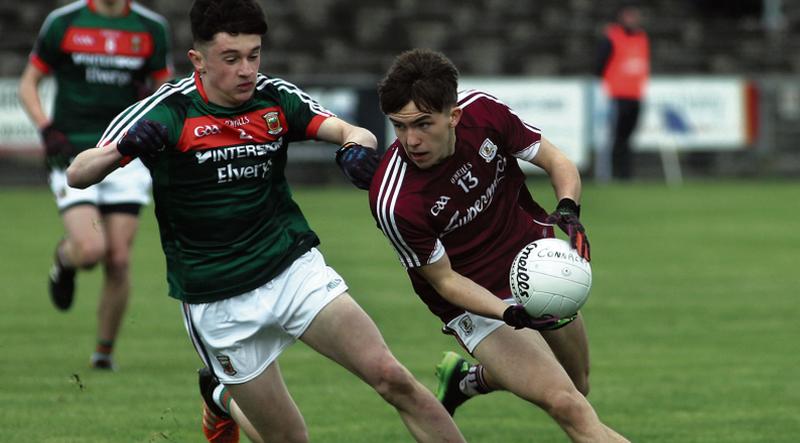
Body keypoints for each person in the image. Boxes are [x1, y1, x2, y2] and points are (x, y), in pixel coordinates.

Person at [66, 1, 465, 443]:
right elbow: (78, 173)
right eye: (231, 58)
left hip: (291, 268)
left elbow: (355, 131)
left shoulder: (275, 97)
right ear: (198, 60)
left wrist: (353, 149)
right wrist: (120, 150)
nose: (246, 70)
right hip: (216, 298)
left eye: (254, 55)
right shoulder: (167, 110)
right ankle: (220, 398)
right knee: (289, 438)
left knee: (392, 378)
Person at [369, 48, 628, 443]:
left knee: (579, 386)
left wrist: (568, 210)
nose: (411, 140)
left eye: (423, 124)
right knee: (569, 405)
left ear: (453, 116)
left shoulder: (484, 114)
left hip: (537, 264)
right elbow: (445, 282)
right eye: (400, 127)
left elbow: (555, 159)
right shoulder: (395, 200)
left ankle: (467, 381)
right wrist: (508, 314)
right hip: (475, 302)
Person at [18, 0, 173, 369]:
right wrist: (46, 129)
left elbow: (164, 89)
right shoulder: (64, 22)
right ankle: (64, 259)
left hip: (125, 153)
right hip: (73, 153)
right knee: (90, 250)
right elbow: (29, 84)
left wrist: (150, 108)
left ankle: (103, 355)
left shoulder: (150, 27)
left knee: (118, 260)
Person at [595, 2, 650, 180]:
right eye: (629, 16)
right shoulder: (612, 37)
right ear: (621, 18)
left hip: (636, 96)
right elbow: (599, 65)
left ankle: (625, 175)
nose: (632, 20)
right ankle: (608, 176)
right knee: (614, 138)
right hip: (617, 96)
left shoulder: (642, 37)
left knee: (627, 138)